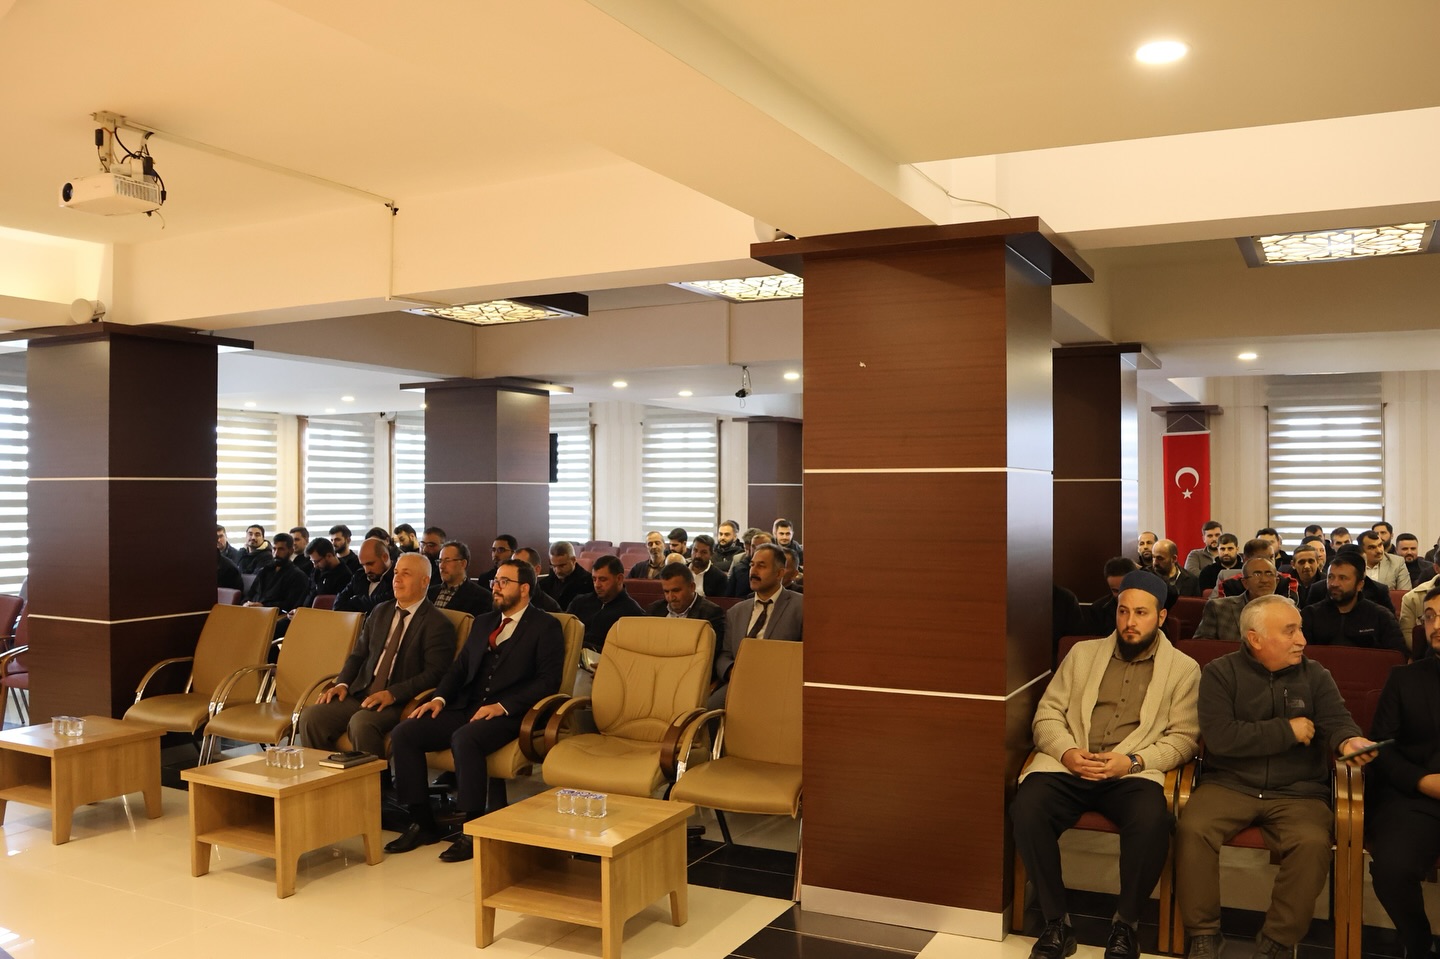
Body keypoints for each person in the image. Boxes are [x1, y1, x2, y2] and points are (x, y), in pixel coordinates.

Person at [1011, 570, 1200, 959]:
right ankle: (1056, 922)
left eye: (1141, 613)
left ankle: (1125, 925)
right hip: (1069, 765)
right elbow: (1047, 715)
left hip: (1131, 772)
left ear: (1161, 616)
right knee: (1026, 808)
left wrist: (1132, 761)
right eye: (1123, 611)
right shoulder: (1083, 654)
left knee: (1151, 821)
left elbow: (1183, 739)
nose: (1130, 622)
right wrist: (1067, 752)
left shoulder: (1184, 669)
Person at [1176, 594, 1376, 959]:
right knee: (1193, 828)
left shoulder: (1316, 675)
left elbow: (1336, 720)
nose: (1302, 640)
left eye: (1300, 629)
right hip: (1230, 783)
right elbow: (1221, 737)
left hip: (1299, 791)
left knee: (1311, 844)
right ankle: (1203, 933)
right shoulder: (1220, 673)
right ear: (1255, 639)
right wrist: (1287, 730)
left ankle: (1277, 941)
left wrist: (1350, 740)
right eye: (1290, 631)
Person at [385, 558, 565, 862]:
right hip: (467, 705)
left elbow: (548, 682)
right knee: (405, 732)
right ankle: (421, 821)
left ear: (524, 589)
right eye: (495, 581)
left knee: (465, 738)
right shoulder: (483, 622)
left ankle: (471, 828)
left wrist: (502, 706)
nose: (495, 587)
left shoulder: (546, 626)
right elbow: (459, 669)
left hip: (511, 714)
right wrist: (439, 699)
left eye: (504, 582)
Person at [296, 553, 455, 757]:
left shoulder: (438, 623)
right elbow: (358, 655)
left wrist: (393, 693)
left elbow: (435, 673)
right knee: (311, 717)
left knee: (361, 723)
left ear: (425, 581)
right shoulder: (380, 611)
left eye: (406, 574)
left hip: (399, 700)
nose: (397, 579)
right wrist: (342, 683)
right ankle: (327, 774)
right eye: (396, 572)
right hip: (362, 691)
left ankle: (375, 777)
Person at [1367, 587, 1440, 959]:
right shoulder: (1404, 678)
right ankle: (1418, 943)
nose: (1436, 625)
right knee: (1391, 868)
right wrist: (1422, 781)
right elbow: (1381, 748)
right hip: (1416, 798)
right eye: (1430, 616)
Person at [710, 544, 801, 708]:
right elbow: (725, 654)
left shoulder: (800, 607)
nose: (753, 571)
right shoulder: (736, 611)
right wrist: (731, 671)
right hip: (740, 681)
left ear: (779, 573)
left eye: (761, 566)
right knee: (707, 711)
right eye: (752, 565)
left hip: (780, 685)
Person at [1300, 550, 1406, 654]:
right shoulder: (1310, 615)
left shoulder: (1381, 617)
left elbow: (1397, 656)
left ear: (1360, 585)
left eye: (1342, 578)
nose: (1334, 584)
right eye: (1330, 577)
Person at [646, 562, 727, 681]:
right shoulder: (654, 610)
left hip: (690, 677)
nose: (670, 597)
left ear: (692, 587)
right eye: (666, 591)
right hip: (655, 673)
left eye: (676, 590)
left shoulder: (711, 614)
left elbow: (709, 658)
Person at [1193, 558, 1289, 643]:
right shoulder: (1218, 608)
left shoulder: (1289, 609)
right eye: (1257, 574)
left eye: (1269, 574)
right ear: (1245, 583)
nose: (1264, 580)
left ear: (1277, 581)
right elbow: (1202, 646)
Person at [565, 555, 643, 653]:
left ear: (619, 579)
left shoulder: (632, 612)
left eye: (603, 579)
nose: (597, 585)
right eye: (594, 579)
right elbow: (565, 631)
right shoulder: (579, 602)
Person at [243, 531, 309, 611]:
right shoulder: (264, 571)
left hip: (275, 615)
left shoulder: (298, 576)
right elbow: (250, 594)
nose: (276, 554)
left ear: (291, 551)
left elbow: (290, 605)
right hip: (252, 611)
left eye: (281, 549)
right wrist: (245, 603)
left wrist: (264, 606)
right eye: (274, 549)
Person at [427, 541, 492, 617]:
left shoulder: (482, 597)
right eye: (440, 561)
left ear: (463, 563)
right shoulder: (429, 593)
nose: (441, 566)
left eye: (447, 560)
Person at [333, 537, 394, 615]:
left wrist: (355, 601)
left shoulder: (399, 577)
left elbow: (384, 605)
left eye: (370, 564)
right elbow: (338, 604)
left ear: (385, 557)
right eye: (363, 565)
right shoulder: (359, 575)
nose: (366, 570)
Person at [1087, 557, 1138, 635]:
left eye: (1124, 589)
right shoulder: (1098, 610)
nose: (1120, 595)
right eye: (1115, 591)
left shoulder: (1151, 606)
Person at [538, 541, 594, 610]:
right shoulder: (545, 583)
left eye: (562, 566)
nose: (558, 571)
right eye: (554, 566)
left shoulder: (588, 583)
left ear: (573, 560)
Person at [726, 530, 771, 597]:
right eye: (753, 546)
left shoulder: (776, 567)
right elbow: (729, 597)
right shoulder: (739, 569)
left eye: (761, 547)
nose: (756, 550)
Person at [1289, 542, 1325, 609]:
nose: (1307, 566)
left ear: (1317, 562)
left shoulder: (1327, 584)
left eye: (1311, 561)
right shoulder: (1286, 584)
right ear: (1293, 564)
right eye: (1301, 562)